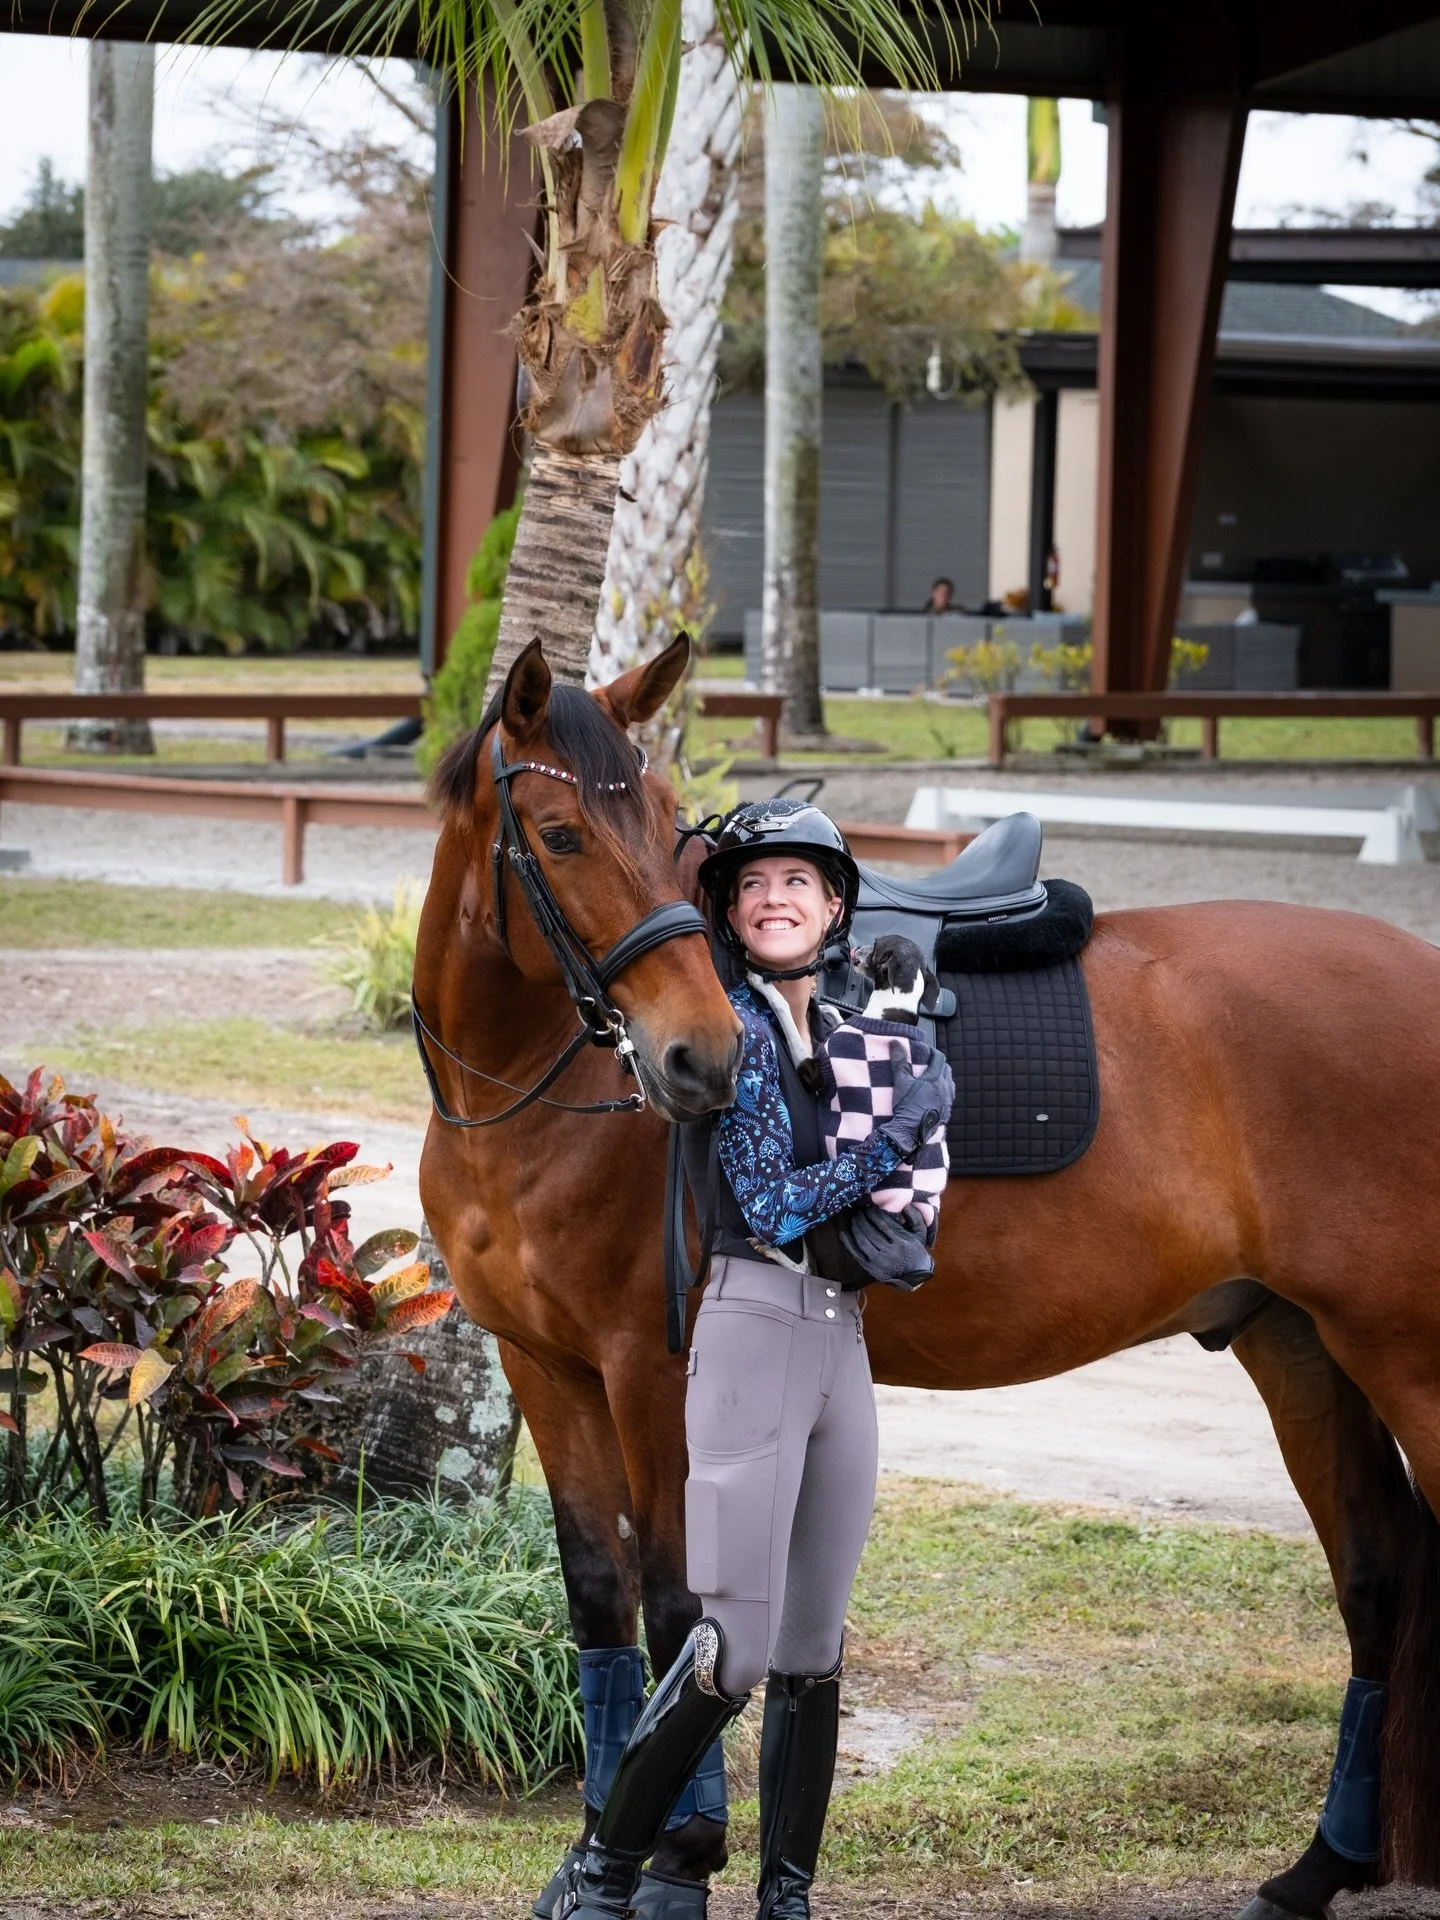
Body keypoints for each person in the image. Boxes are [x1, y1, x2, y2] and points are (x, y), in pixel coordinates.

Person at [559, 800, 954, 1920]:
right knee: (731, 1647)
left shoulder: (859, 1036)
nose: (775, 899)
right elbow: (776, 1203)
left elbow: (904, 1209)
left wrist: (908, 1122)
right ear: (731, 916)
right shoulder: (724, 1028)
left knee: (815, 1648)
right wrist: (891, 1136)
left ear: (835, 909)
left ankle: (788, 1901)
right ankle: (603, 1878)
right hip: (751, 1328)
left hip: (843, 1345)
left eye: (799, 883)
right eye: (753, 886)